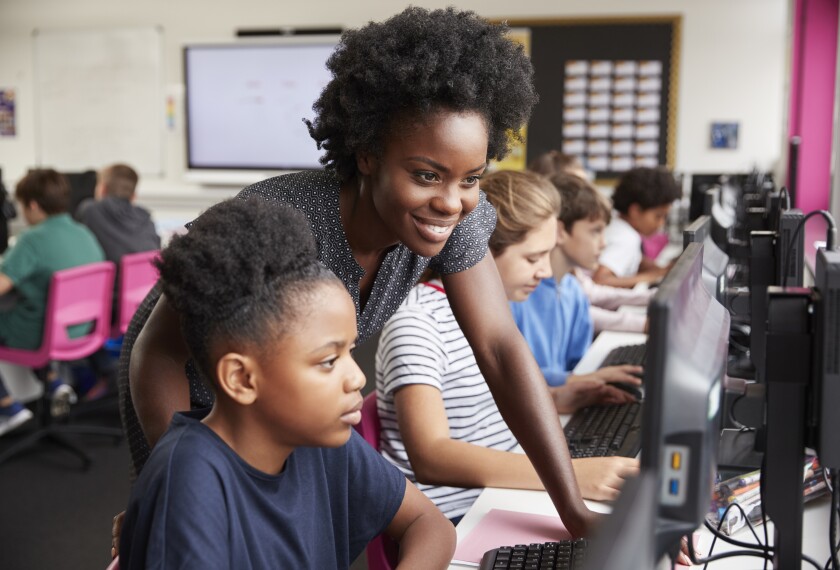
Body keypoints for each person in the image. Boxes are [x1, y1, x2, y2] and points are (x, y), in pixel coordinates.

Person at [114, 9, 597, 556]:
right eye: (425, 174)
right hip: (193, 398)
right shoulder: (288, 216)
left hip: (288, 407)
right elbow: (156, 353)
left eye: (471, 177)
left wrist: (573, 509)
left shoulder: (455, 218)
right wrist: (175, 479)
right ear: (367, 156)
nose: (451, 200)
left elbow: (501, 349)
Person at [119, 197, 454, 569]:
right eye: (328, 361)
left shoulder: (316, 436)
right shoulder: (189, 485)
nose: (357, 377)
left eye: (350, 351)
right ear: (242, 379)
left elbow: (430, 524)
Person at [376, 170, 638, 523]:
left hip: (498, 493)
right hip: (459, 518)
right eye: (533, 258)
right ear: (482, 251)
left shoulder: (493, 313)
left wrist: (559, 398)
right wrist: (572, 475)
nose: (545, 272)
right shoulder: (417, 323)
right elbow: (432, 455)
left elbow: (477, 409)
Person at [510, 172, 645, 388]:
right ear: (560, 231)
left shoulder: (573, 291)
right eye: (595, 231)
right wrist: (576, 380)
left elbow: (578, 364)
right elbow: (509, 375)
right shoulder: (516, 294)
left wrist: (592, 382)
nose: (603, 244)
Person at [0, 169, 105, 434]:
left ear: (33, 205)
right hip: (82, 331)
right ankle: (54, 381)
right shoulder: (84, 232)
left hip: (44, 335)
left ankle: (6, 407)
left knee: (20, 314)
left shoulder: (32, 239)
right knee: (35, 308)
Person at [592, 166, 682, 288]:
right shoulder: (627, 238)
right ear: (635, 211)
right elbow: (600, 279)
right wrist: (652, 276)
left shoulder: (616, 225)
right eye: (658, 216)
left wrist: (658, 268)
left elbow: (631, 259)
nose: (661, 223)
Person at [76, 163, 160, 268]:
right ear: (133, 196)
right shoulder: (147, 219)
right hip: (145, 283)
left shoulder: (90, 210)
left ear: (102, 189)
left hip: (110, 283)